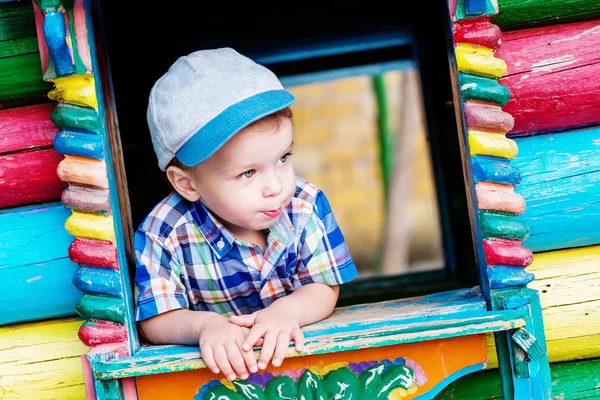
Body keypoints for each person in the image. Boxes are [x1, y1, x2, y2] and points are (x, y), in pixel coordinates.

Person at [134, 47, 358, 382]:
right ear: (188, 184)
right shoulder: (163, 232)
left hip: (306, 371)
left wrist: (287, 312)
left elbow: (324, 286)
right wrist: (204, 326)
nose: (276, 186)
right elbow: (154, 319)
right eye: (248, 173)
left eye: (283, 157)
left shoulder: (305, 203)